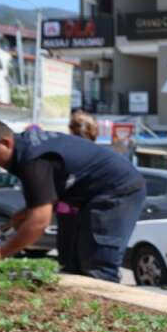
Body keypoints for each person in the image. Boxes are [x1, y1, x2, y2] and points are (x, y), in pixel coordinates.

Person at [0, 118, 146, 281]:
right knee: (73, 262)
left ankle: (104, 309)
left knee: (98, 264)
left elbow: (39, 222)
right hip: (88, 196)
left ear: (6, 143)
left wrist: (0, 251)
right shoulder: (26, 151)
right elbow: (45, 200)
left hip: (117, 190)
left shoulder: (33, 159)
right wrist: (24, 214)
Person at [54, 110, 100, 272]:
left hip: (68, 209)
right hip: (89, 210)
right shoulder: (98, 153)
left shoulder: (69, 151)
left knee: (67, 256)